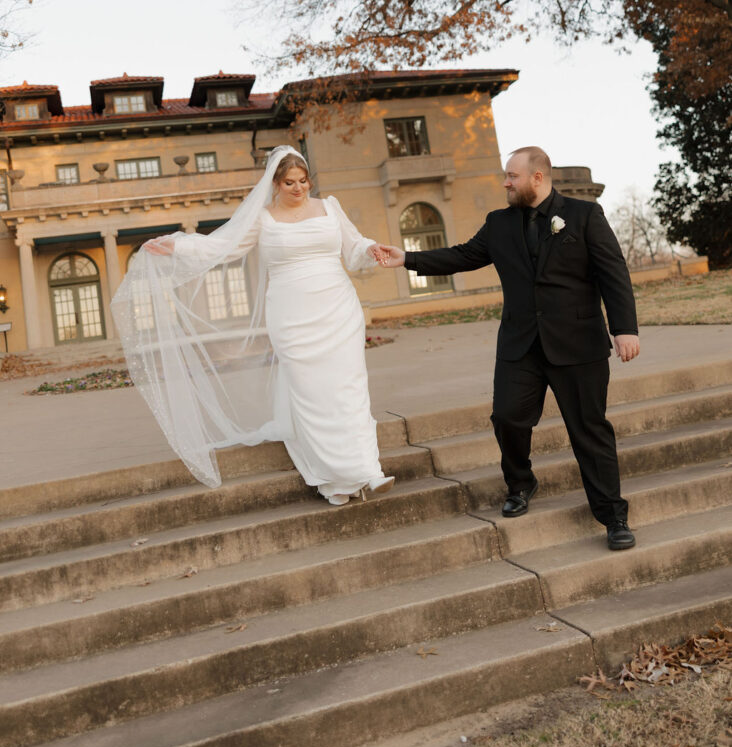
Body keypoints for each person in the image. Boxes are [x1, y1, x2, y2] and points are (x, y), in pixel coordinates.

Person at [376, 146, 640, 550]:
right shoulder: (498, 224)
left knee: (590, 430)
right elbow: (463, 255)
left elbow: (613, 272)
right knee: (507, 418)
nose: (505, 182)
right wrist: (407, 259)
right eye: (506, 175)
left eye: (512, 176)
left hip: (578, 343)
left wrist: (624, 328)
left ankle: (613, 516)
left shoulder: (584, 216)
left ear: (537, 177)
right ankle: (521, 483)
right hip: (521, 345)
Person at [112, 146, 394, 506]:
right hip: (292, 315)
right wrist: (178, 247)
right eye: (290, 182)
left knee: (350, 386)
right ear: (276, 183)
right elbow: (223, 248)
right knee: (311, 392)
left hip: (338, 307)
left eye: (304, 181)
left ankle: (368, 470)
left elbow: (354, 246)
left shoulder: (330, 207)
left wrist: (372, 250)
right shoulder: (263, 219)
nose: (298, 188)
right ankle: (334, 478)